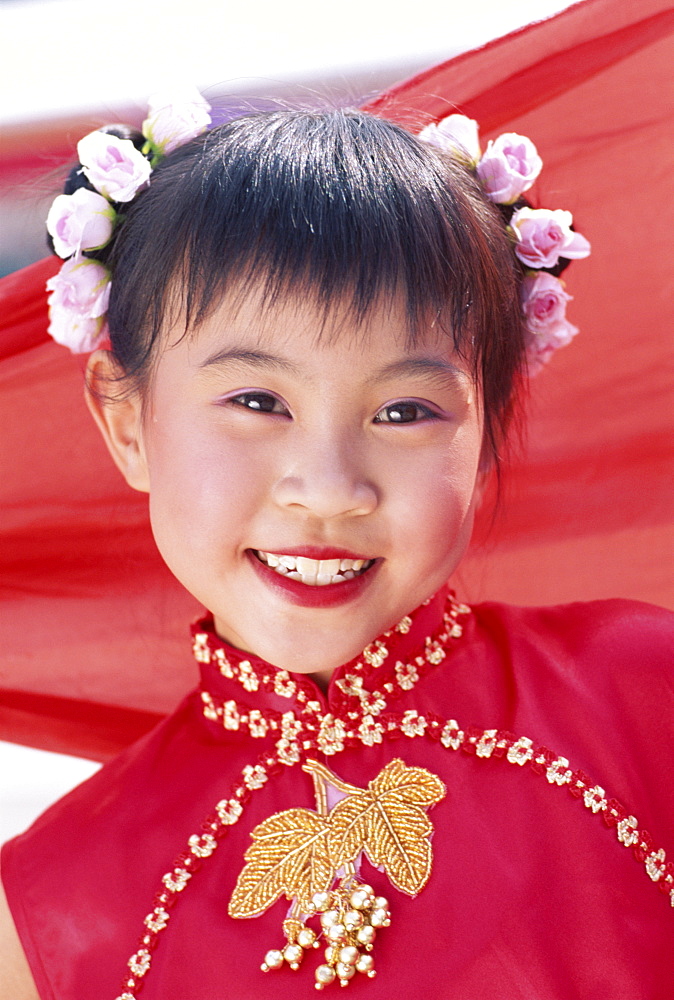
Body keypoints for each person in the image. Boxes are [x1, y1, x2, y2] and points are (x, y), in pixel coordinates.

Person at [1, 41, 673, 1000]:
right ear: (126, 421)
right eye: (256, 402)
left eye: (404, 413)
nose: (327, 489)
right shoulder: (46, 915)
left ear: (484, 436)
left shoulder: (644, 704)